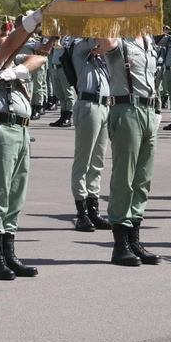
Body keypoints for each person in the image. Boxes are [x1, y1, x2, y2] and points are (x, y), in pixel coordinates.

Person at [0, 13, 47, 281]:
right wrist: (28, 25)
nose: (7, 38)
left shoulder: (12, 62)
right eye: (2, 33)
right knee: (0, 196)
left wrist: (49, 33)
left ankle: (9, 254)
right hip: (0, 129)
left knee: (16, 197)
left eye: (8, 33)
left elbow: (41, 54)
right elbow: (9, 46)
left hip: (21, 130)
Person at [105, 28, 166, 265]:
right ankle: (120, 245)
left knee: (143, 179)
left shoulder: (148, 41)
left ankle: (134, 238)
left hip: (150, 111)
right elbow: (106, 40)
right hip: (127, 109)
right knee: (124, 178)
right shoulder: (119, 40)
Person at [69, 34, 116, 231]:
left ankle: (93, 208)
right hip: (88, 105)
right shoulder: (78, 47)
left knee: (98, 161)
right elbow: (98, 41)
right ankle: (81, 212)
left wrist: (104, 51)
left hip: (105, 106)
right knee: (84, 160)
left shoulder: (100, 58)